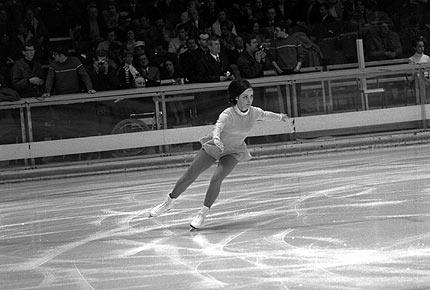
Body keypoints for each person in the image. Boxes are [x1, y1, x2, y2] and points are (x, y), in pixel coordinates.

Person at [149, 79, 293, 229]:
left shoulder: (254, 112)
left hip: (234, 150)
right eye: (245, 96)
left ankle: (202, 214)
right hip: (216, 146)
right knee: (191, 174)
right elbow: (218, 127)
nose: (249, 100)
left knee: (216, 179)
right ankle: (169, 202)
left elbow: (266, 114)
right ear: (236, 97)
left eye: (251, 96)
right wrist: (216, 138)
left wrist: (280, 117)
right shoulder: (228, 114)